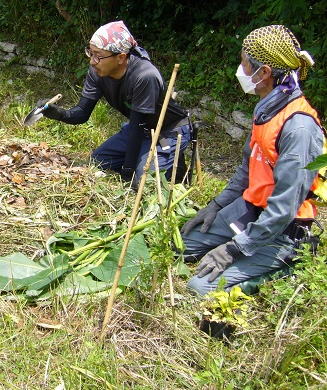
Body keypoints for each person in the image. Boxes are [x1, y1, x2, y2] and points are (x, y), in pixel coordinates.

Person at [181, 25, 323, 296]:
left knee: (200, 287)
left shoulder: (299, 128)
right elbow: (247, 170)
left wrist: (234, 249)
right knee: (180, 246)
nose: (240, 69)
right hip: (250, 211)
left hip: (281, 229)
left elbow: (283, 209)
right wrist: (216, 206)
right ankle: (238, 243)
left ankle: (292, 263)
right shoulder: (267, 107)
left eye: (244, 63)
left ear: (264, 73)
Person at [38, 21, 191, 185]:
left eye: (98, 55)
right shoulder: (98, 71)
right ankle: (146, 157)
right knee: (97, 162)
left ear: (121, 57)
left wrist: (128, 171)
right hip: (140, 128)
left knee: (143, 181)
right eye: (90, 53)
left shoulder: (144, 76)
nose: (92, 61)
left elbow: (136, 129)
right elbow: (82, 112)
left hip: (168, 131)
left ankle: (174, 166)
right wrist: (60, 113)